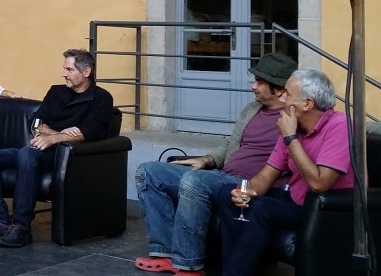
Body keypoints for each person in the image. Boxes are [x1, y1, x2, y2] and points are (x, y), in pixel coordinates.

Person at [134, 52, 298, 275]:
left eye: (259, 82)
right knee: (149, 172)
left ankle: (189, 264)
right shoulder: (252, 110)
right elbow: (232, 142)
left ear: (279, 89)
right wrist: (208, 159)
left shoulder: (293, 119)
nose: (253, 86)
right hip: (221, 174)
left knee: (195, 181)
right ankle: (164, 252)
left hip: (247, 184)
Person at [215, 68, 354, 276]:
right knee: (225, 193)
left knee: (261, 208)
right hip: (296, 201)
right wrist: (244, 192)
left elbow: (319, 184)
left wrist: (290, 138)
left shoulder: (340, 125)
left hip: (327, 210)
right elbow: (266, 178)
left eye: (288, 94)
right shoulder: (292, 127)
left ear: (307, 103)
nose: (282, 99)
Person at [0, 49, 113, 248]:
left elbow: (91, 131)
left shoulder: (101, 98)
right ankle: (0, 221)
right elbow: (36, 122)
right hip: (41, 149)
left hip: (69, 157)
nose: (64, 73)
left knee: (28, 153)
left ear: (86, 72)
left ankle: (22, 226)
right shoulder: (56, 91)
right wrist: (53, 133)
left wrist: (54, 138)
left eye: (69, 69)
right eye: (64, 69)